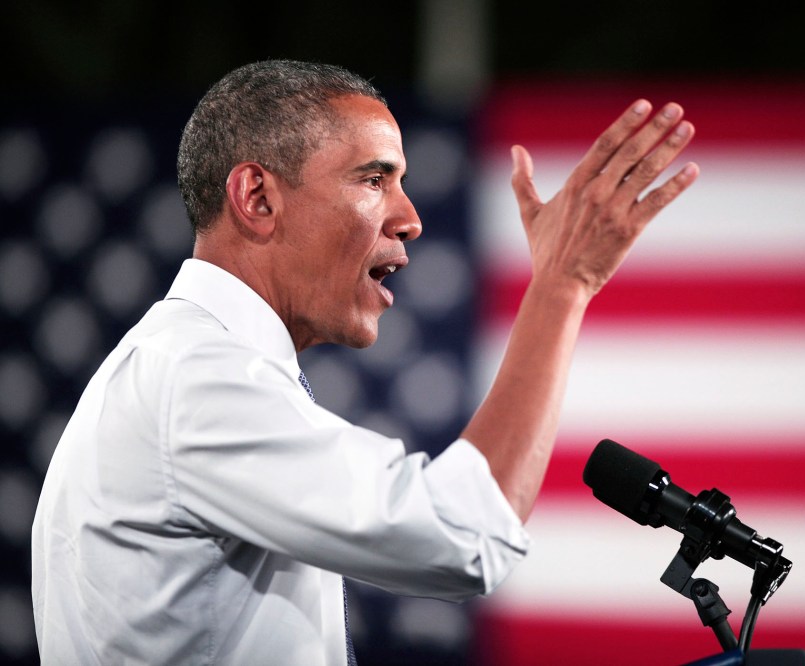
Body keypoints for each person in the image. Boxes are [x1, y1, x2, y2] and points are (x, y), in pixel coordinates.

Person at [31, 60, 698, 665]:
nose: (410, 218)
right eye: (374, 179)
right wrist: (563, 283)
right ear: (257, 198)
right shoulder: (194, 376)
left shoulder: (186, 364)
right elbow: (464, 538)